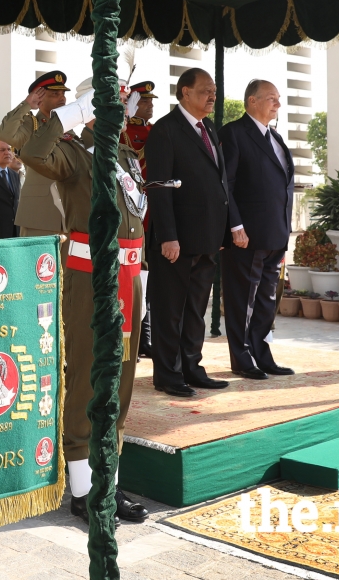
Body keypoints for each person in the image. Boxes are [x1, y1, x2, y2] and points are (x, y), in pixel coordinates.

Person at [19, 78, 150, 527]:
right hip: (91, 278)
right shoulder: (73, 152)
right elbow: (33, 151)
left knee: (121, 381)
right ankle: (81, 488)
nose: (122, 107)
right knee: (88, 378)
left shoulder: (125, 153)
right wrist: (73, 111)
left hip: (130, 280)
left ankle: (108, 481)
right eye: (109, 101)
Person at [143, 68, 231, 398]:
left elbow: (220, 183)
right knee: (170, 310)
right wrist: (167, 235)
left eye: (214, 91)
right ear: (185, 93)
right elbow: (159, 187)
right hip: (175, 241)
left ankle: (192, 367)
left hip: (206, 238)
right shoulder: (166, 130)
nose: (212, 96)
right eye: (205, 90)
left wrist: (224, 230)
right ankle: (168, 375)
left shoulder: (207, 128)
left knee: (195, 309)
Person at [219, 80, 295, 379]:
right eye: (271, 99)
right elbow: (227, 186)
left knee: (266, 301)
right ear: (252, 101)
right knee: (242, 300)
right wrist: (235, 225)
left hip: (275, 234)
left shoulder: (275, 137)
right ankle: (242, 358)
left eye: (278, 99)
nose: (277, 104)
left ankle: (262, 354)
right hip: (246, 236)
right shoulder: (234, 133)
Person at [0, 71, 69, 237]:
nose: (62, 98)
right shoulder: (32, 124)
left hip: (67, 211)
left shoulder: (67, 127)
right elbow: (5, 135)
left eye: (63, 94)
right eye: (55, 94)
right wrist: (27, 105)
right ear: (40, 98)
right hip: (40, 213)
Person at [124, 80, 157, 358]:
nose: (151, 106)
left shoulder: (154, 131)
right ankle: (137, 338)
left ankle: (146, 338)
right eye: (145, 101)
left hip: (153, 214)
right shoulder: (125, 133)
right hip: (133, 215)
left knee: (150, 279)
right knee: (135, 278)